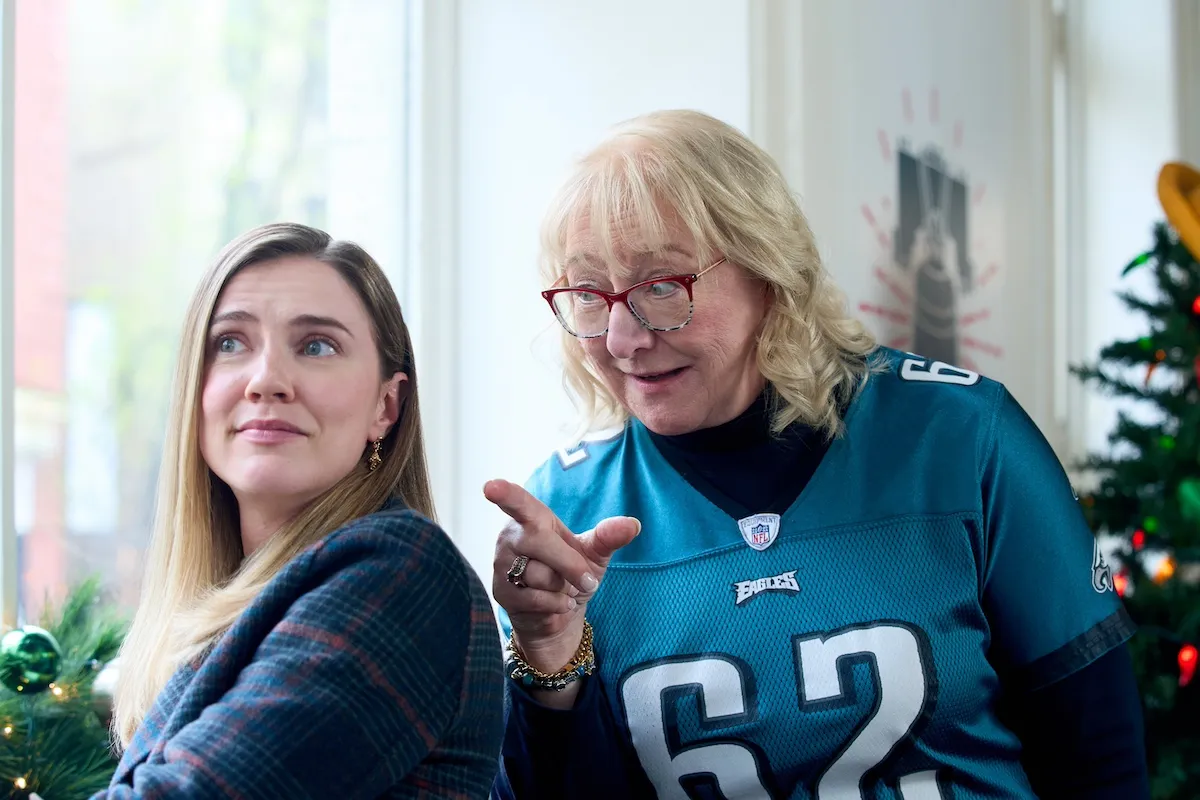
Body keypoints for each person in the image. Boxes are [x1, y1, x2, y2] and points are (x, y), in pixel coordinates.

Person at [487, 110, 1149, 799]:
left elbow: (1097, 754)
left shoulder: (962, 438)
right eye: (591, 295)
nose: (623, 338)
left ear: (768, 270)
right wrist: (550, 656)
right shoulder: (566, 516)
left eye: (661, 286)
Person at [97, 222, 503, 799]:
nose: (266, 380)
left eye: (316, 346)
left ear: (386, 407)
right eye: (231, 343)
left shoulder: (402, 574)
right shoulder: (234, 606)